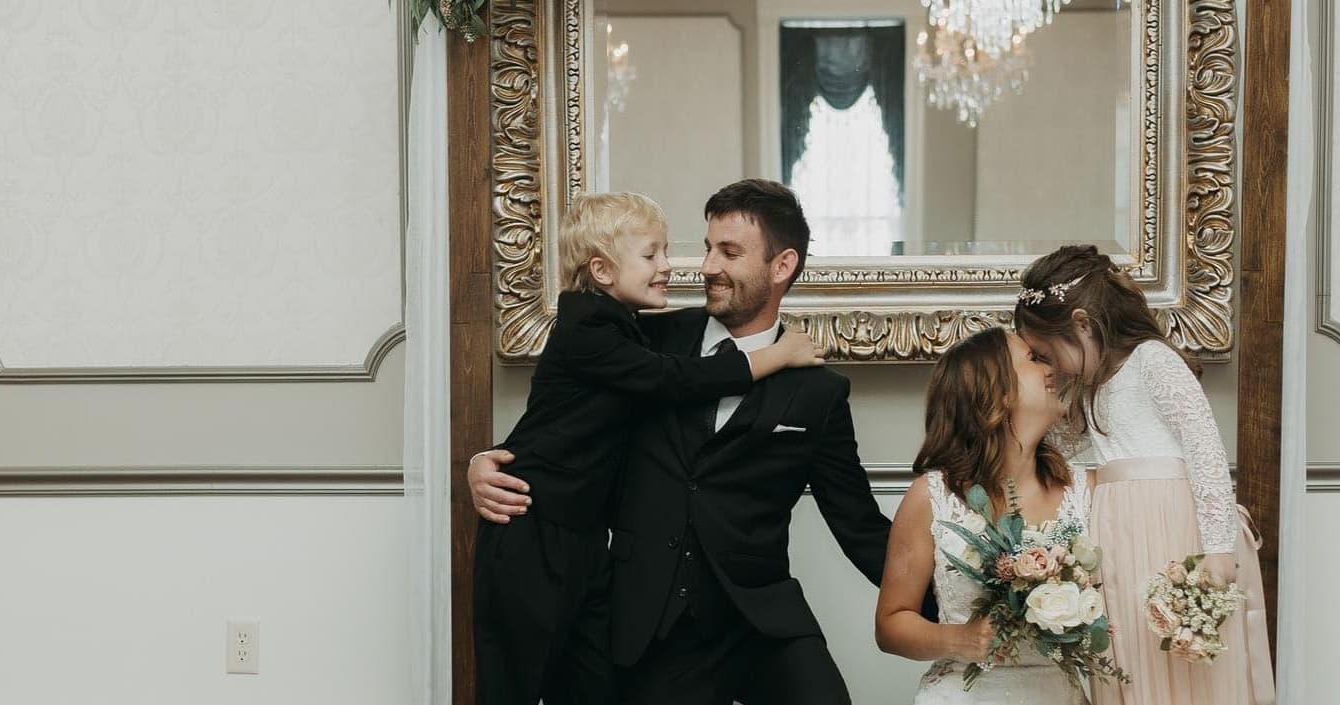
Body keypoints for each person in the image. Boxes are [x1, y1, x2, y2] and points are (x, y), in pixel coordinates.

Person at [467, 179, 898, 705]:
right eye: (707, 246)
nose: (706, 266)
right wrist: (483, 462)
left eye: (729, 252)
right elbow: (565, 418)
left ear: (781, 266)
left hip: (761, 622)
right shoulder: (643, 339)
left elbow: (860, 525)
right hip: (649, 629)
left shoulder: (819, 391)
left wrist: (965, 598)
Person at [1013, 245, 1275, 705]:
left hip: (1174, 528)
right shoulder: (1087, 390)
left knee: (1185, 665)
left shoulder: (1153, 361)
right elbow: (1069, 456)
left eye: (1046, 352)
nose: (1048, 365)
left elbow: (1206, 452)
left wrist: (1217, 551)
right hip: (1117, 536)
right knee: (1133, 655)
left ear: (1082, 324)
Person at [875, 327, 1091, 705]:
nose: (1053, 368)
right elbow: (891, 623)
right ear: (997, 394)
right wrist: (960, 639)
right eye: (1035, 359)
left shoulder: (1087, 491)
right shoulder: (932, 498)